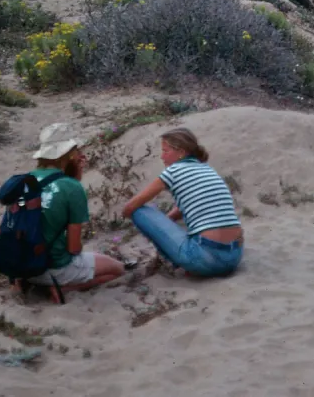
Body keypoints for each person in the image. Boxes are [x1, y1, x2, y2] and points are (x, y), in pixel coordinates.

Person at [122, 127, 244, 278]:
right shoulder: (207, 169)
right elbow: (185, 206)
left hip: (207, 260)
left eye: (165, 151)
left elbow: (131, 206)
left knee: (139, 211)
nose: (162, 156)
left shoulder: (173, 172)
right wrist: (167, 222)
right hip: (235, 256)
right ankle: (187, 263)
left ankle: (177, 262)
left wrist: (134, 219)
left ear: (181, 152)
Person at [27, 122, 125, 301]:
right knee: (118, 269)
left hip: (18, 264)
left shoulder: (27, 179)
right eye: (78, 150)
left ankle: (23, 283)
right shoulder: (72, 187)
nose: (81, 154)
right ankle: (65, 288)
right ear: (71, 154)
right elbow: (73, 248)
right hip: (52, 268)